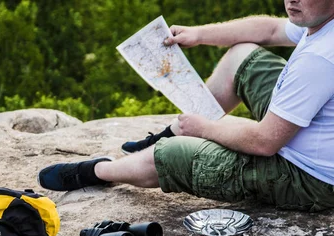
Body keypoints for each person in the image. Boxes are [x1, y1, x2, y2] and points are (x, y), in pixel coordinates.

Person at [38, 1, 334, 212]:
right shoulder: (320, 21)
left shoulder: (319, 60)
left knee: (168, 156)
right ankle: (178, 130)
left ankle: (101, 171)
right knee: (242, 54)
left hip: (307, 177)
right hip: (302, 135)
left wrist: (205, 129)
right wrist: (199, 35)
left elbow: (265, 141)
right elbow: (270, 30)